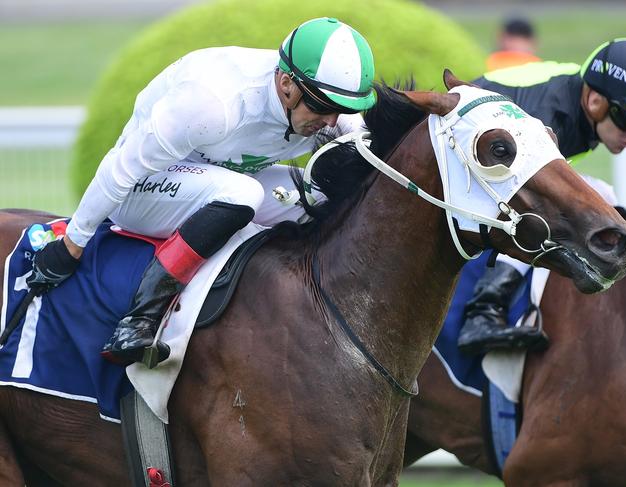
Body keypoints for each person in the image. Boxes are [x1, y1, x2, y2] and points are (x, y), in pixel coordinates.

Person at [25, 17, 376, 366]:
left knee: (323, 196)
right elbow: (122, 168)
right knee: (243, 194)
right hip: (144, 191)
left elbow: (368, 149)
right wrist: (72, 244)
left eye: (343, 109)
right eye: (323, 105)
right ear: (286, 84)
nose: (331, 121)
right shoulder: (213, 103)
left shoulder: (321, 107)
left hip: (221, 181)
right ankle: (143, 315)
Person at [458, 38, 626, 355]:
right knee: (545, 216)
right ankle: (484, 309)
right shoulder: (551, 117)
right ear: (595, 101)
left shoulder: (581, 101)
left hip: (493, 158)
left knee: (602, 195)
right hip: (462, 163)